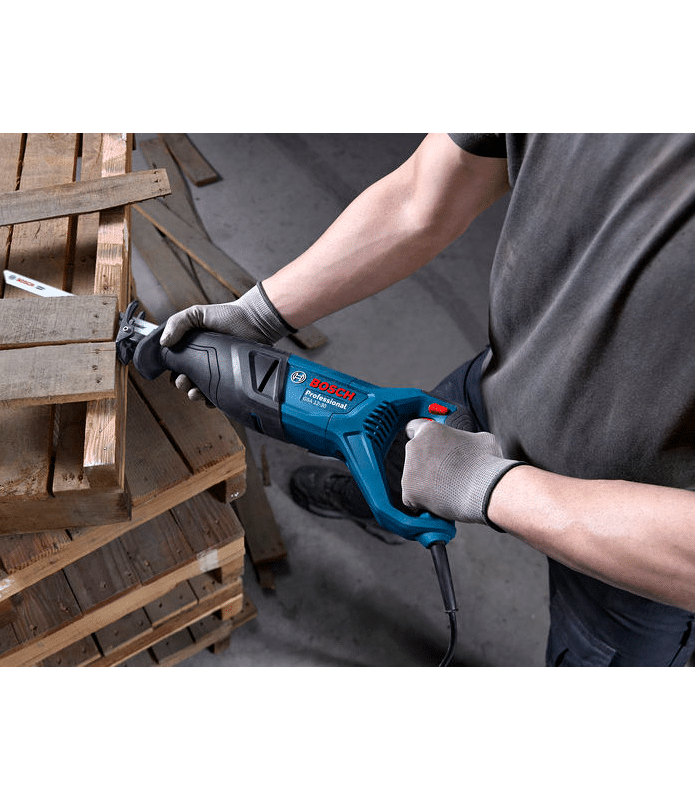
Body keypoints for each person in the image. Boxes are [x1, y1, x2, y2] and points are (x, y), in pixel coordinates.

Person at [158, 133, 695, 667]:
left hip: (638, 548)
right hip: (500, 384)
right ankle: (376, 504)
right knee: (390, 466)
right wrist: (259, 314)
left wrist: (486, 485)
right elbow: (421, 197)